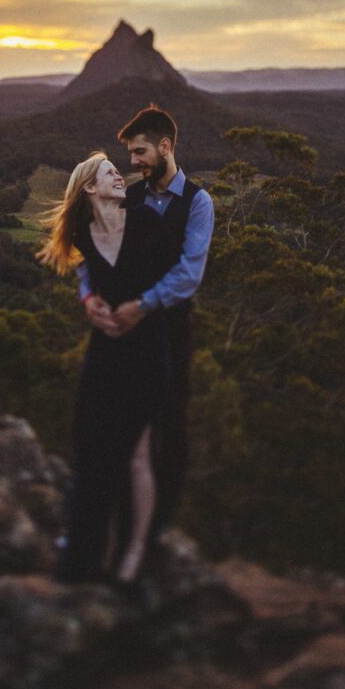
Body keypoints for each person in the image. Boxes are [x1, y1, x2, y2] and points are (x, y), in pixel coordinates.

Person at [78, 105, 214, 548]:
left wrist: (145, 304)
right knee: (118, 432)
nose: (132, 163)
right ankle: (111, 529)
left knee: (168, 428)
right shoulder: (127, 198)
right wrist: (89, 296)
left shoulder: (198, 203)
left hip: (170, 330)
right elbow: (90, 249)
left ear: (166, 147)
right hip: (120, 330)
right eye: (130, 155)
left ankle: (154, 535)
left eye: (139, 153)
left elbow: (189, 273)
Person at [38, 151, 174, 585]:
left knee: (135, 455)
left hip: (146, 348)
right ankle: (90, 547)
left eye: (119, 170)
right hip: (105, 351)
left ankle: (133, 551)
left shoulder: (147, 221)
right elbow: (87, 274)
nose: (121, 175)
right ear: (91, 189)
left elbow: (177, 277)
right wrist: (88, 300)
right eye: (110, 172)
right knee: (92, 447)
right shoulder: (83, 232)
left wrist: (144, 305)